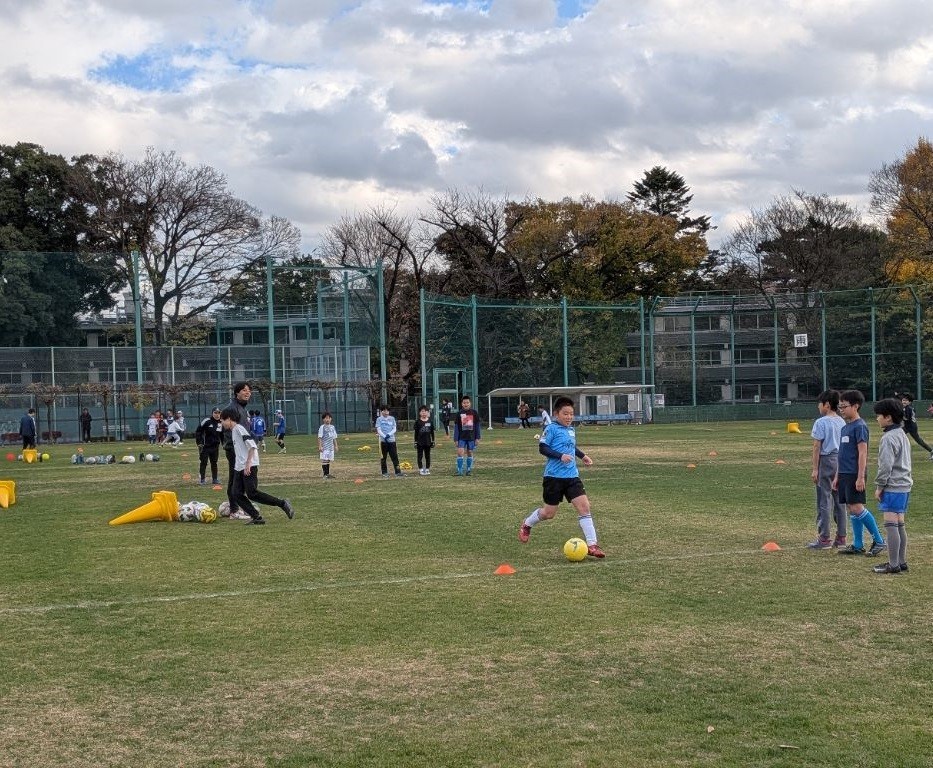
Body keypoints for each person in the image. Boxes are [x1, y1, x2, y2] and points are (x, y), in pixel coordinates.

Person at [518, 396, 605, 558]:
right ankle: (527, 524)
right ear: (556, 414)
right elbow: (543, 448)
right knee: (548, 513)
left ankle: (592, 545)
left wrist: (583, 456)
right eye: (565, 414)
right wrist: (560, 456)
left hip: (572, 477)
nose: (569, 417)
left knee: (584, 507)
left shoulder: (571, 429)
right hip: (553, 478)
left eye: (571, 414)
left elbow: (571, 446)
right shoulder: (551, 429)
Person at [220, 407, 294, 526]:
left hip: (249, 466)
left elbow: (252, 446)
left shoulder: (239, 429)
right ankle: (256, 517)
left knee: (252, 493)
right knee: (236, 493)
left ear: (228, 419)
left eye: (222, 421)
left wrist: (248, 464)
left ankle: (282, 503)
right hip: (239, 467)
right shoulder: (233, 431)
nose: (222, 423)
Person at [834, 390, 886, 557]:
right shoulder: (845, 427)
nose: (841, 410)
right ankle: (857, 544)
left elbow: (863, 453)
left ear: (855, 406)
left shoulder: (860, 426)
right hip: (844, 473)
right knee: (851, 507)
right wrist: (837, 476)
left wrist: (860, 476)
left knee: (857, 507)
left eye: (844, 406)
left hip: (854, 473)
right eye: (839, 407)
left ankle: (879, 540)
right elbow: (841, 454)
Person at [871, 398, 913, 574]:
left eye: (879, 415)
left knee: (890, 525)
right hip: (904, 485)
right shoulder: (902, 433)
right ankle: (901, 562)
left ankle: (893, 564)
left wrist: (880, 486)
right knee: (899, 524)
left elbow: (885, 466)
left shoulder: (888, 438)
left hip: (893, 486)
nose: (877, 419)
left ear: (888, 417)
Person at [807, 390, 847, 549]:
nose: (818, 406)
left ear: (827, 405)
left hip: (826, 460)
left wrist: (815, 469)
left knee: (824, 499)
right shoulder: (842, 421)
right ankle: (841, 537)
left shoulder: (821, 422)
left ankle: (824, 538)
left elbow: (817, 446)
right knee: (840, 500)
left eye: (820, 403)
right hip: (840, 460)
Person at [222, 382, 253, 519]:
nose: (248, 393)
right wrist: (236, 448)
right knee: (235, 479)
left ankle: (238, 507)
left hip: (241, 449)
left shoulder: (242, 408)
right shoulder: (232, 408)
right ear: (237, 393)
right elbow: (228, 430)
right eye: (244, 390)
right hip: (235, 450)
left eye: (249, 390)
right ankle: (234, 510)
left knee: (240, 479)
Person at [897, 392, 933, 459]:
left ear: (909, 402)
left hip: (911, 427)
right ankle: (899, 452)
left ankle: (931, 451)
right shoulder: (907, 408)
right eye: (903, 400)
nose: (904, 401)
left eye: (906, 400)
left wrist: (900, 416)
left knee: (918, 440)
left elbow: (907, 418)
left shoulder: (908, 408)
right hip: (908, 426)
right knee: (898, 435)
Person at [453, 394, 481, 475]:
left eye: (467, 402)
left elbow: (477, 426)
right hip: (461, 437)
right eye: (464, 403)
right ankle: (459, 471)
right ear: (462, 404)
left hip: (471, 437)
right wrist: (456, 439)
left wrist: (478, 438)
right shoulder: (459, 413)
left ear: (470, 403)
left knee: (470, 452)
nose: (466, 404)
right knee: (460, 452)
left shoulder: (474, 413)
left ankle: (468, 470)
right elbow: (456, 427)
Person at [195, 407, 223, 486]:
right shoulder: (207, 421)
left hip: (215, 447)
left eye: (218, 413)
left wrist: (224, 443)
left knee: (214, 463)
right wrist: (199, 442)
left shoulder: (221, 422)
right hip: (205, 446)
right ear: (212, 413)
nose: (217, 415)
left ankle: (215, 479)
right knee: (203, 462)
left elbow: (222, 435)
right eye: (215, 413)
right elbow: (198, 431)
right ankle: (202, 479)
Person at [375, 404, 403, 477]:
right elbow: (378, 429)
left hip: (392, 441)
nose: (386, 412)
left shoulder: (392, 418)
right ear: (381, 411)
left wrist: (389, 434)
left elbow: (394, 429)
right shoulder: (379, 419)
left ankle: (398, 472)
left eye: (387, 410)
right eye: (384, 410)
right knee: (383, 458)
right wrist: (384, 436)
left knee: (395, 457)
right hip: (383, 441)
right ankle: (384, 472)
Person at [414, 405, 435, 475]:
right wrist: (415, 442)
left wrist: (433, 441)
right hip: (420, 442)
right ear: (420, 413)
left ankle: (427, 469)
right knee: (420, 456)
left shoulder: (430, 421)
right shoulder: (417, 422)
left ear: (427, 412)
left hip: (428, 442)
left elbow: (432, 432)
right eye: (422, 411)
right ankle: (421, 469)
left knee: (427, 456)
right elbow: (416, 433)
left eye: (425, 411)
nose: (424, 413)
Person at [318, 411, 338, 479]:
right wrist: (320, 446)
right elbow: (320, 437)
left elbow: (334, 437)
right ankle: (325, 474)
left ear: (331, 419)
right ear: (323, 419)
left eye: (329, 418)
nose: (327, 419)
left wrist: (336, 446)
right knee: (325, 460)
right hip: (325, 447)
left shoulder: (332, 427)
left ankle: (327, 474)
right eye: (326, 418)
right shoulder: (322, 427)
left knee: (328, 460)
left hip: (330, 448)